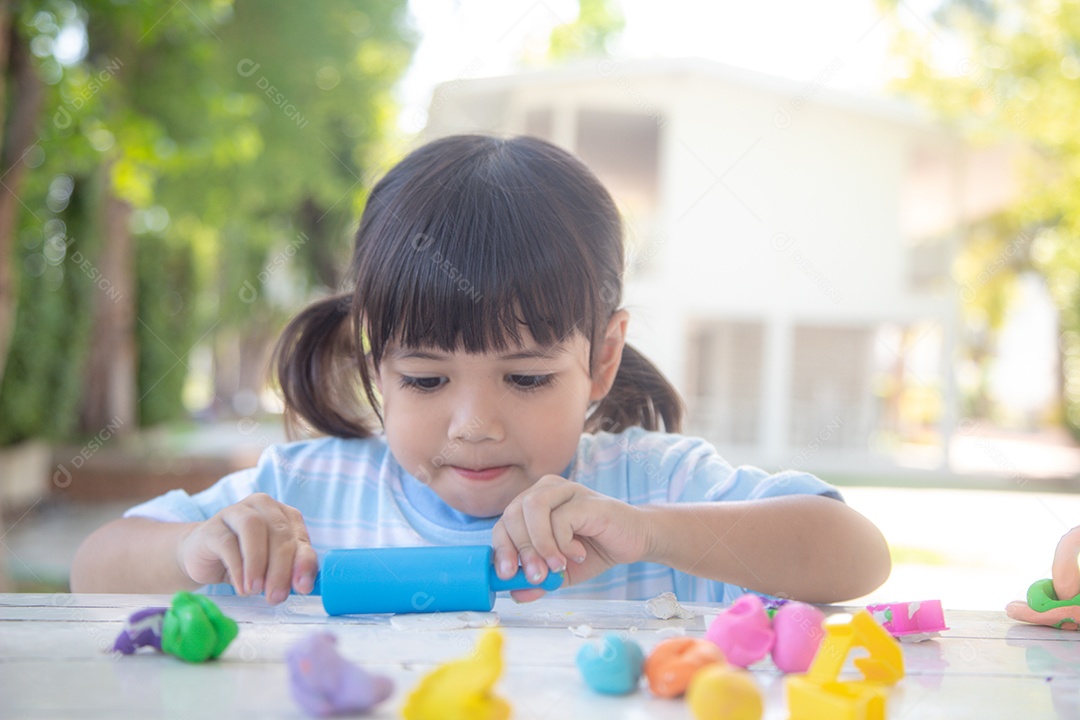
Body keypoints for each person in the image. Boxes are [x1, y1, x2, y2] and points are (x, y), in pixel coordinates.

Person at [71, 134, 891, 606]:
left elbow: (855, 556)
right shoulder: (304, 493)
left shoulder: (643, 492)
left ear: (601, 358)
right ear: (375, 367)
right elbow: (91, 569)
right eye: (426, 381)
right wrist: (198, 552)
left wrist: (652, 532)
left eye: (527, 378)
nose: (474, 424)